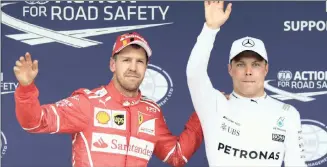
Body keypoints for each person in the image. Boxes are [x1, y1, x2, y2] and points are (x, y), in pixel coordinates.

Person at [13, 32, 203, 167]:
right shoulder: (87, 103)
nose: (133, 67)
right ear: (113, 64)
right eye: (126, 60)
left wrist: (205, 111)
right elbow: (34, 122)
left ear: (146, 68)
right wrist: (26, 88)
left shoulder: (151, 112)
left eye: (140, 62)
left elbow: (176, 156)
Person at [186, 1, 307, 167]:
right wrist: (210, 29)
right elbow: (194, 73)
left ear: (266, 69)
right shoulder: (214, 105)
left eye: (256, 64)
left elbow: (297, 164)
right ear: (230, 69)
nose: (248, 71)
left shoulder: (287, 114)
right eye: (241, 64)